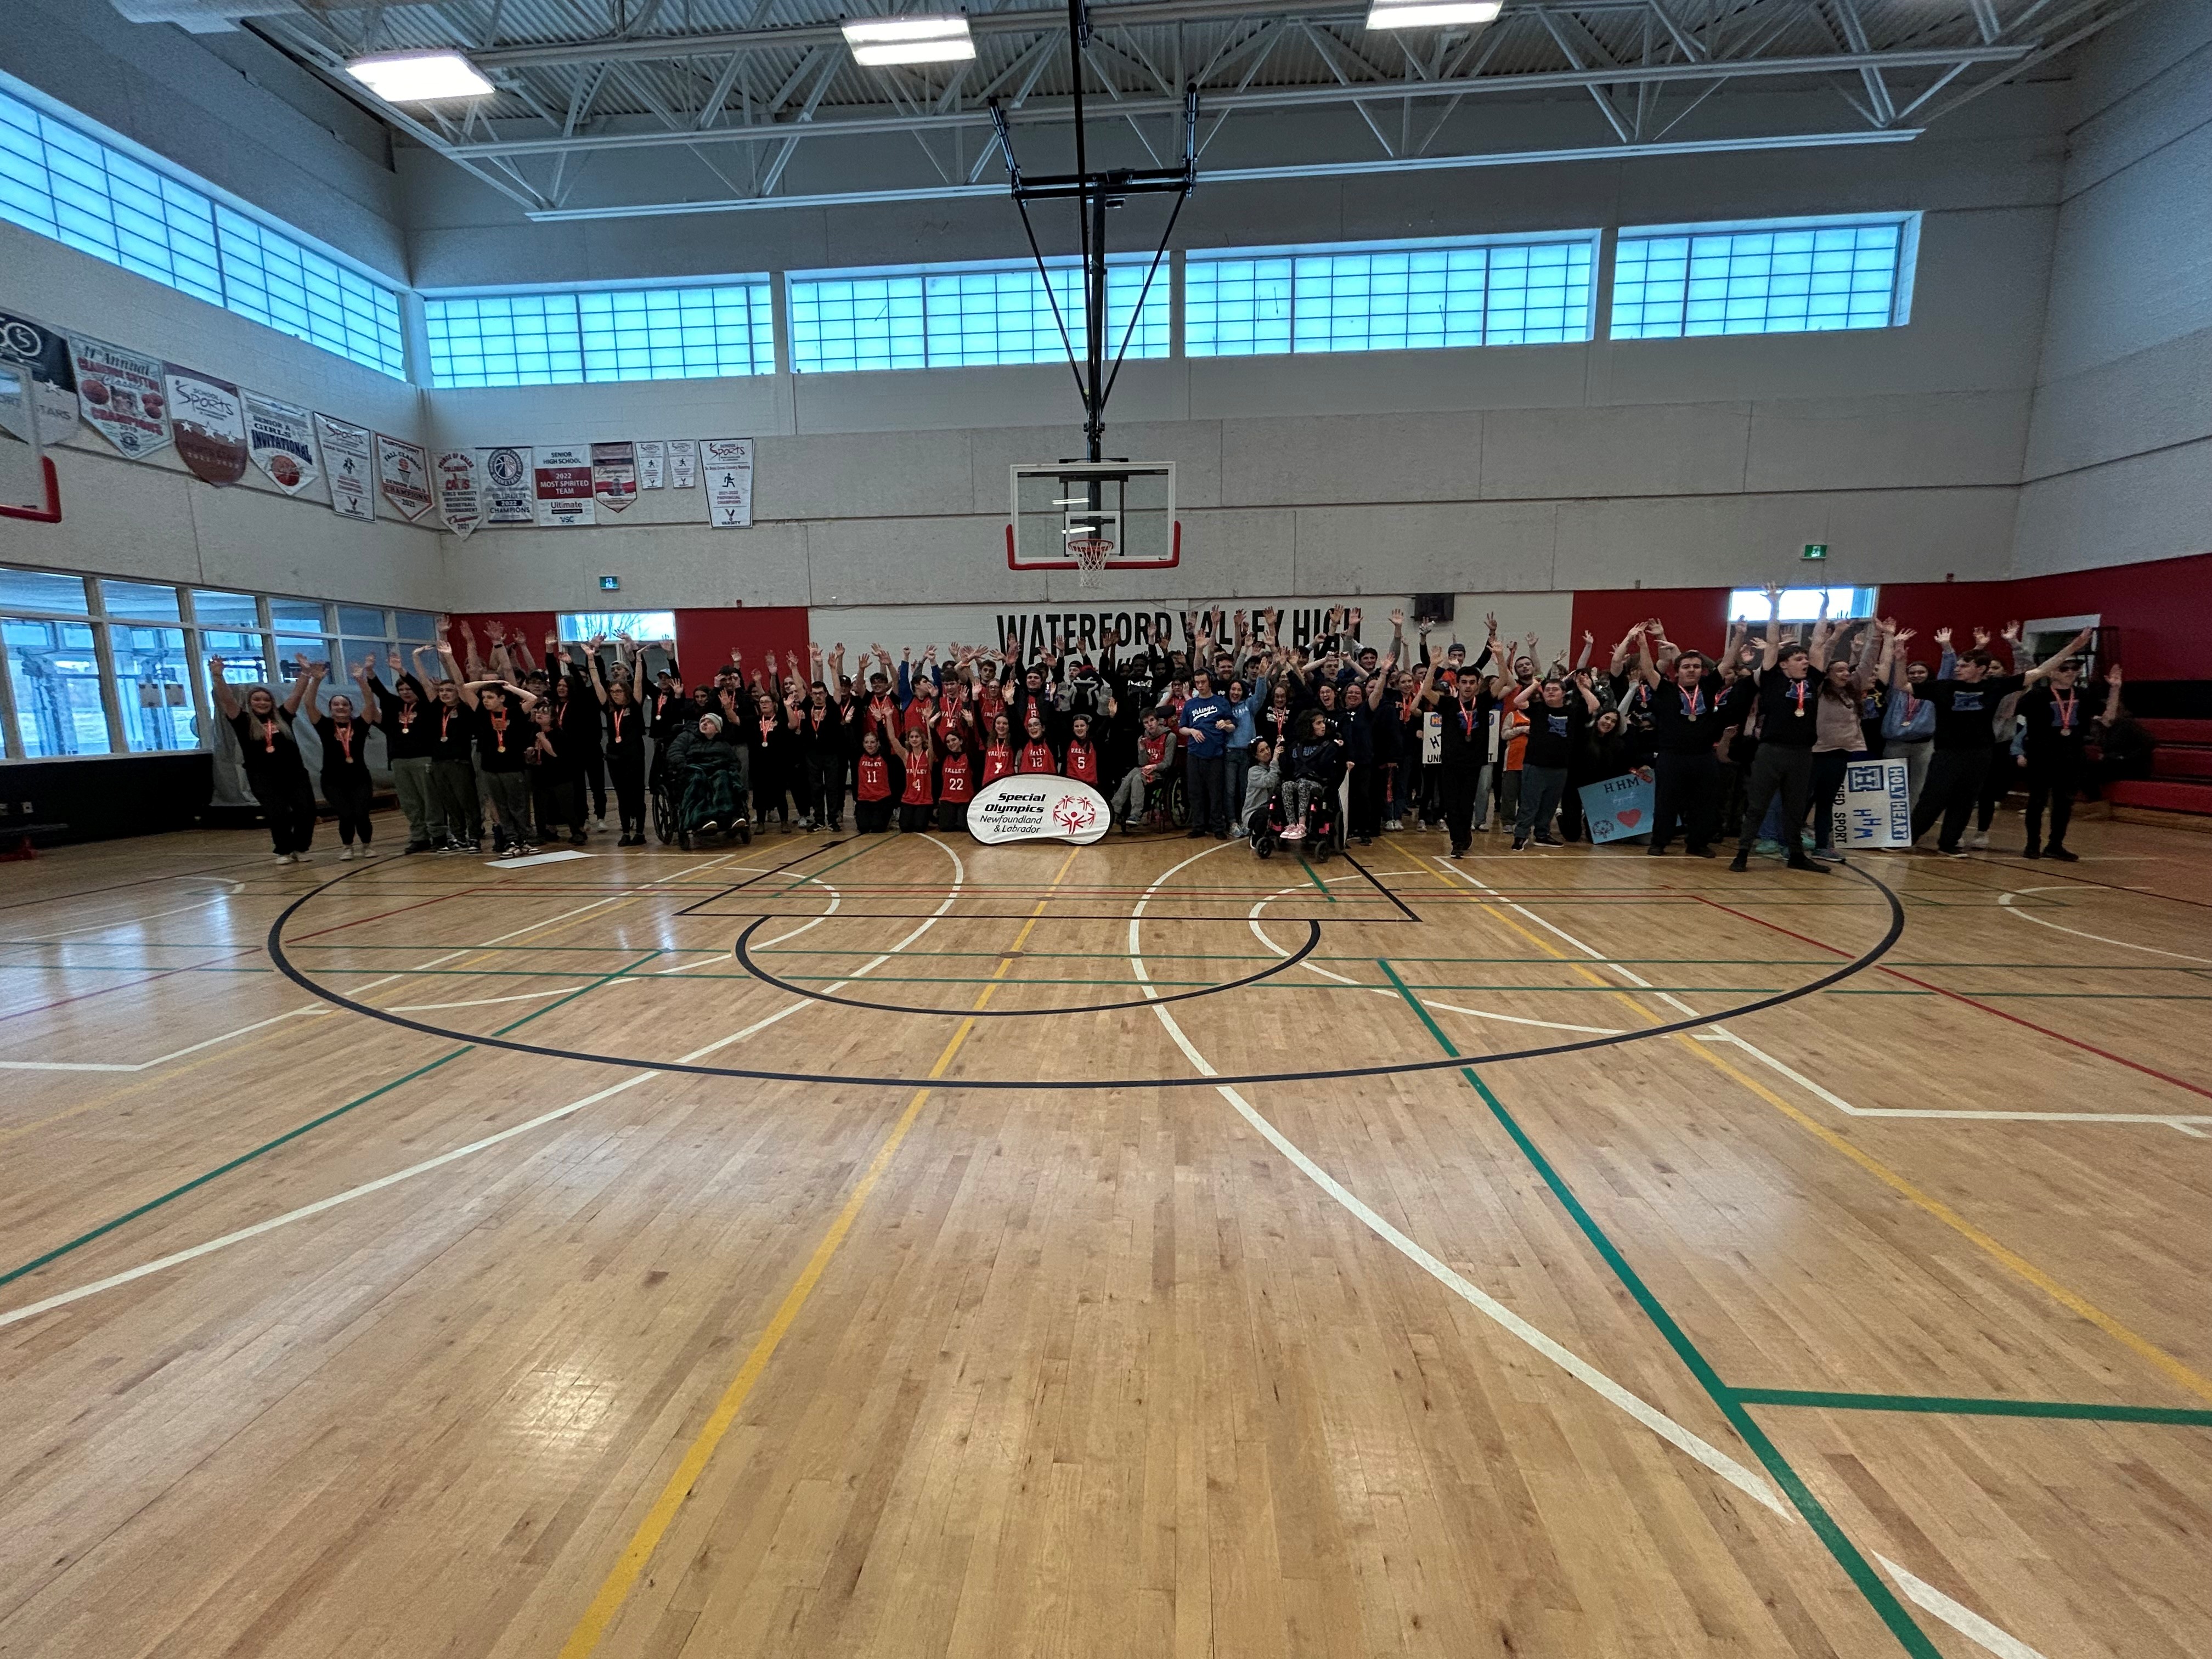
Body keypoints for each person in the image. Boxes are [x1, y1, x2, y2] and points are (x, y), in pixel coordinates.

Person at [1910, 623, 2087, 856]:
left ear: (1981, 669)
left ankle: (1951, 842)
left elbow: (2039, 671)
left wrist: (2074, 647)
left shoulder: (1996, 686)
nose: (1959, 668)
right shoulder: (1944, 687)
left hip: (1982, 752)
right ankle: (1909, 837)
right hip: (1948, 752)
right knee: (1934, 796)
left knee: (1968, 800)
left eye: (1965, 665)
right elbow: (1900, 686)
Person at [1730, 584, 1827, 873]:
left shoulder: (1812, 682)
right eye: (1799, 659)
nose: (1805, 662)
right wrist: (1775, 606)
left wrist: (1823, 612)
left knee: (1796, 809)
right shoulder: (1772, 678)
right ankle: (1743, 853)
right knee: (1758, 804)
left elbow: (1819, 644)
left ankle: (1796, 854)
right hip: (1772, 751)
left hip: (1802, 753)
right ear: (1784, 665)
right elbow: (1772, 643)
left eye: (1805, 659)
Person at [210, 652, 319, 864]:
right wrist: (217, 677)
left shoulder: (283, 717)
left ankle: (301, 848)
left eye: (266, 699)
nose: (262, 702)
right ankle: (284, 851)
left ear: (272, 702)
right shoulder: (242, 721)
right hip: (263, 776)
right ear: (251, 703)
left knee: (307, 811)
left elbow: (296, 696)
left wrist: (305, 673)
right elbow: (227, 700)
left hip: (294, 774)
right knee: (278, 814)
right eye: (257, 699)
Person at [1643, 649, 1731, 857]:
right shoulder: (1666, 690)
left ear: (1703, 671)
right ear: (1678, 671)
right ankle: (1659, 842)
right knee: (1666, 802)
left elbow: (1727, 663)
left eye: (1696, 667)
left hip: (1703, 756)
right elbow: (1648, 670)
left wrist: (1738, 635)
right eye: (1687, 666)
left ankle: (1698, 844)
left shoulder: (1709, 688)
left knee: (1704, 803)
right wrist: (1642, 644)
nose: (1692, 670)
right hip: (1671, 756)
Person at [2017, 650, 2095, 860]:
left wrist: (2115, 688)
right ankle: (2032, 844)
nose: (2071, 672)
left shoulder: (2083, 694)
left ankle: (2055, 845)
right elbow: (2013, 711)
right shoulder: (2037, 695)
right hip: (2042, 755)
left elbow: (2108, 718)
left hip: (2072, 756)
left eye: (2075, 669)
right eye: (2064, 668)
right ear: (2051, 673)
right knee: (2037, 801)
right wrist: (2026, 680)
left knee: (2064, 803)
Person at [1513, 673, 1596, 850]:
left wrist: (1582, 688)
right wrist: (1535, 685)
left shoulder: (1572, 711)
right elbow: (1518, 701)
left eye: (1555, 690)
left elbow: (1594, 705)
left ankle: (1542, 834)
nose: (1550, 692)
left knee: (1550, 804)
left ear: (1563, 693)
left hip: (1560, 767)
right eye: (1548, 690)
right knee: (1530, 803)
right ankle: (1521, 835)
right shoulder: (1538, 709)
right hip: (1535, 765)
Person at [368, 650, 438, 853]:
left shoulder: (426, 705)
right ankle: (419, 836)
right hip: (399, 760)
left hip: (423, 758)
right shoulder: (395, 706)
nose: (406, 692)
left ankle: (438, 834)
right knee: (409, 802)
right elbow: (379, 691)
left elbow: (420, 687)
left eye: (409, 688)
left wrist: (400, 670)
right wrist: (370, 672)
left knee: (429, 799)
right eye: (402, 689)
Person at [313, 658, 380, 860]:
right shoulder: (324, 726)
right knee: (346, 814)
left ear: (350, 708)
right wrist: (315, 681)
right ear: (330, 708)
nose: (340, 707)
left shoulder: (360, 725)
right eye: (336, 704)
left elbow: (370, 702)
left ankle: (367, 845)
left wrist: (360, 680)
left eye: (344, 704)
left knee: (361, 813)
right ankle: (347, 847)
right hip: (333, 780)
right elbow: (308, 703)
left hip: (359, 778)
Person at [589, 652, 648, 845]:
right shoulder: (608, 707)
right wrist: (591, 658)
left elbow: (639, 681)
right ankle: (625, 832)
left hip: (634, 755)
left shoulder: (635, 705)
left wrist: (638, 660)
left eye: (619, 691)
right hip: (615, 757)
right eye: (613, 691)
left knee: (637, 794)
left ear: (626, 692)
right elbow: (596, 682)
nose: (615, 694)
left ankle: (640, 832)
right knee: (622, 795)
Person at [1881, 624, 1936, 812]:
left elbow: (1949, 670)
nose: (1916, 675)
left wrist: (1946, 648)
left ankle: (1909, 822)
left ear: (1929, 675)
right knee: (1890, 784)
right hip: (1896, 743)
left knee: (1917, 786)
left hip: (1923, 745)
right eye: (1912, 673)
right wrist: (1899, 656)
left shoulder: (1936, 692)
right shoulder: (1897, 692)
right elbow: (1890, 672)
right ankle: (1889, 820)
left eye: (1921, 672)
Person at [1177, 668, 1235, 838]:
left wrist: (1225, 725)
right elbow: (1182, 728)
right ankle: (1198, 826)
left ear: (1209, 682)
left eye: (1203, 682)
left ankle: (1218, 827)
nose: (1201, 685)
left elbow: (1232, 724)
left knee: (1216, 792)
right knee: (1196, 792)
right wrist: (1193, 732)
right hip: (1195, 753)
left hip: (1215, 754)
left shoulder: (1221, 702)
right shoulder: (1191, 705)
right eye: (1198, 683)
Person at [524, 701, 588, 847]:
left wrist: (543, 739)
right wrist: (530, 753)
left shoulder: (559, 734)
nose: (540, 715)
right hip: (541, 775)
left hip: (560, 777)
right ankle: (541, 833)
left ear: (552, 718)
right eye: (539, 712)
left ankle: (577, 833)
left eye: (544, 713)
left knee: (567, 808)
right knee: (540, 808)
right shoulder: (533, 731)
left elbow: (554, 753)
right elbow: (532, 756)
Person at [1111, 710, 1177, 831]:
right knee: (1133, 774)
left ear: (1158, 721)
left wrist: (1155, 767)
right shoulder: (1142, 738)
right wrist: (1142, 749)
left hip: (1161, 773)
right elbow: (1142, 763)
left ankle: (1123, 811)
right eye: (1146, 723)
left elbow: (1167, 763)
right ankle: (1119, 811)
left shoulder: (1169, 737)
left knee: (1136, 776)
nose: (1150, 724)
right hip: (1146, 771)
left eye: (1152, 721)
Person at [853, 729, 896, 833]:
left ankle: (887, 817)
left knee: (878, 828)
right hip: (865, 799)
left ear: (878, 744)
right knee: (863, 828)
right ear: (863, 744)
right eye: (867, 742)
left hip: (882, 799)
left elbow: (885, 741)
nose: (870, 745)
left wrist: (879, 722)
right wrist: (848, 725)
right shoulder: (860, 757)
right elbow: (852, 742)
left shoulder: (884, 756)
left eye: (873, 742)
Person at [898, 724, 937, 832]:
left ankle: (929, 815)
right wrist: (888, 717)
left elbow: (932, 743)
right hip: (909, 800)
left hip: (924, 800)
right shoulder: (906, 756)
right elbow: (892, 739)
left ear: (922, 738)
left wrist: (929, 724)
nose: (914, 739)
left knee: (920, 828)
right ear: (908, 739)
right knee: (905, 828)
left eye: (917, 737)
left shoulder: (927, 755)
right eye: (912, 737)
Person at [1240, 737, 1280, 843]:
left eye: (1267, 748)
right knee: (1264, 814)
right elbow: (1269, 781)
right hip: (1253, 812)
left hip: (1270, 807)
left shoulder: (1272, 767)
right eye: (1262, 751)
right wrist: (1275, 759)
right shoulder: (1253, 772)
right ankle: (1255, 836)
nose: (1267, 752)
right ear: (1256, 756)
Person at [938, 729, 975, 832]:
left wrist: (970, 726)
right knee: (945, 827)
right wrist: (931, 727)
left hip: (965, 799)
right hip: (948, 799)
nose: (951, 743)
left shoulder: (968, 756)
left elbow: (973, 746)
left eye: (954, 740)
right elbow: (937, 745)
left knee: (963, 827)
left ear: (961, 741)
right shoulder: (945, 758)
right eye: (948, 742)